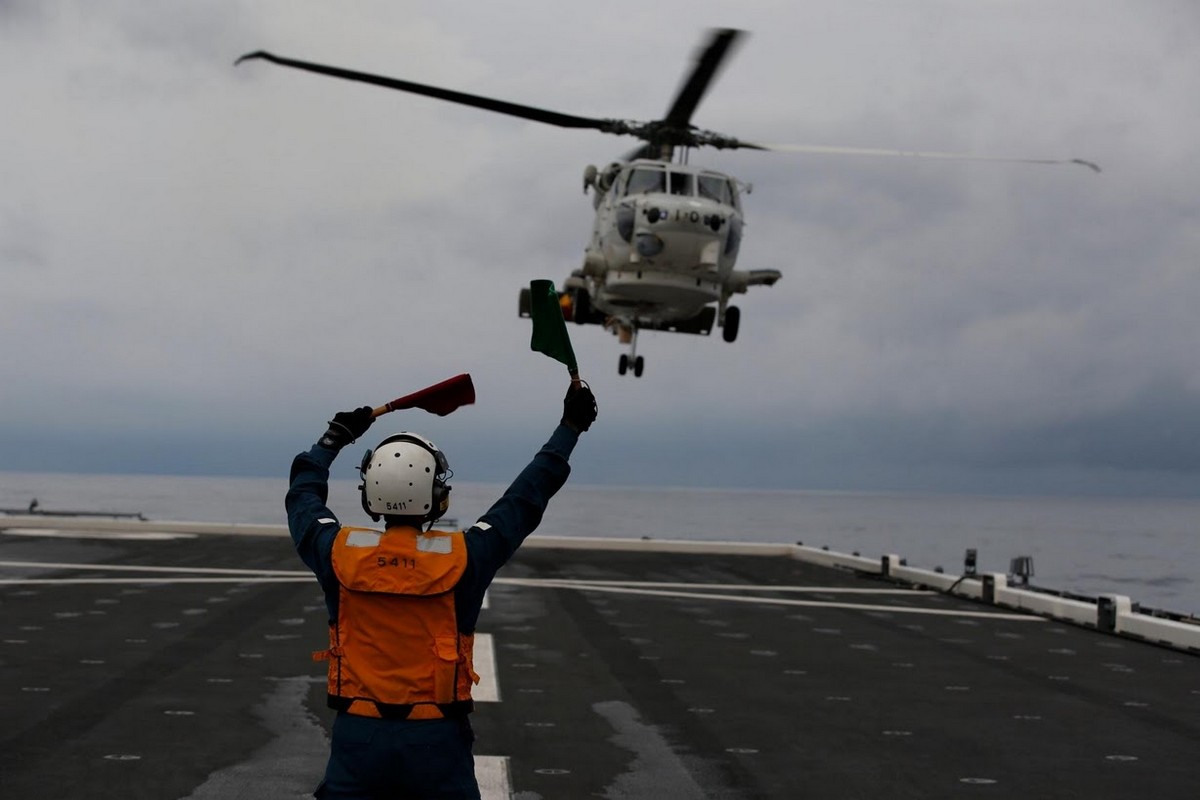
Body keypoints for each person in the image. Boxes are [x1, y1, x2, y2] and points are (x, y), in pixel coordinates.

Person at [285, 382, 597, 799]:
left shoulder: (336, 552)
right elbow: (526, 497)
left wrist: (333, 438)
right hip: (436, 739)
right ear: (437, 495)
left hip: (357, 738)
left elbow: (302, 495)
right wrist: (569, 428)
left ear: (369, 493)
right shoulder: (468, 555)